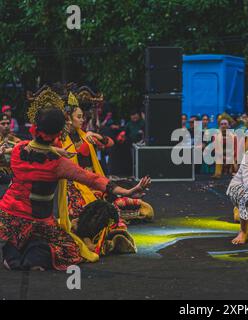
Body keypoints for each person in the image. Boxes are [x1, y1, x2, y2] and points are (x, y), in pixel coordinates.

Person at [0, 93, 150, 271]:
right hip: (40, 219)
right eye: (78, 117)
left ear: (35, 128)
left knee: (29, 236)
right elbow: (92, 179)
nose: (81, 120)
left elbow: (31, 147)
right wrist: (127, 191)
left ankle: (13, 252)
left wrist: (54, 149)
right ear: (59, 131)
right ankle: (32, 257)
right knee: (72, 250)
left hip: (7, 216)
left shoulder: (18, 149)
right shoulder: (59, 164)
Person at [57, 92, 153, 225]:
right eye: (79, 117)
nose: (82, 120)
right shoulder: (59, 142)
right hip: (75, 186)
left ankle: (124, 198)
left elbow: (110, 143)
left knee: (141, 207)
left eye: (82, 117)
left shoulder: (86, 136)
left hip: (95, 181)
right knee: (90, 211)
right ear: (68, 119)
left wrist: (96, 135)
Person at [212, 113, 237, 179]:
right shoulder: (215, 136)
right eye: (222, 124)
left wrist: (229, 158)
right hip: (219, 159)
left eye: (225, 124)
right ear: (219, 126)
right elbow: (215, 149)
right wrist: (223, 158)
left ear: (229, 125)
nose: (223, 126)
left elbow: (235, 150)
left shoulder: (234, 136)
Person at [0, 112, 21, 184]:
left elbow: (21, 150)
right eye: (3, 124)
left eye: (8, 123)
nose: (6, 126)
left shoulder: (16, 140)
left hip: (10, 172)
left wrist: (6, 150)